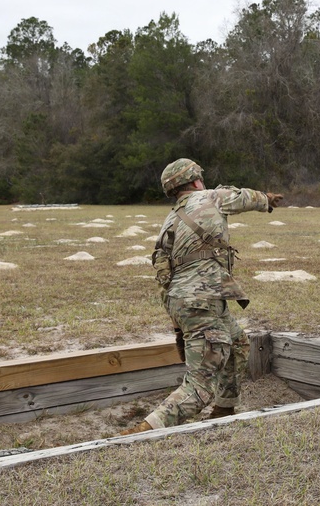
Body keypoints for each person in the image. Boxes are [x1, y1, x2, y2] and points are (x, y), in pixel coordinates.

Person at [121, 158, 283, 435]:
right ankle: (139, 433)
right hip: (204, 299)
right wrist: (266, 199)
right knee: (199, 386)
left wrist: (178, 323)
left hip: (187, 301)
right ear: (196, 181)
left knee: (238, 343)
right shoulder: (209, 197)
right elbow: (242, 197)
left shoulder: (170, 220)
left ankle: (224, 408)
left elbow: (162, 273)